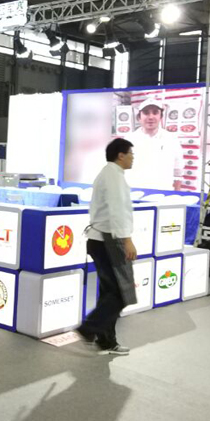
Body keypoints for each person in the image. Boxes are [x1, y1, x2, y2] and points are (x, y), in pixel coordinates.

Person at [76, 138, 138, 356]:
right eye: (130, 154)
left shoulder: (111, 174)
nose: (132, 158)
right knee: (121, 292)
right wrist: (127, 239)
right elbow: (117, 210)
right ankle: (88, 328)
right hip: (108, 240)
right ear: (120, 155)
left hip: (103, 239)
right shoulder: (112, 175)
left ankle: (106, 341)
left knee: (108, 292)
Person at [124, 98, 182, 191]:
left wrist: (177, 194)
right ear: (139, 117)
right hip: (135, 193)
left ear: (161, 117)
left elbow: (177, 171)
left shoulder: (172, 139)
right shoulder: (128, 140)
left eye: (155, 112)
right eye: (146, 112)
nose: (151, 117)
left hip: (163, 193)